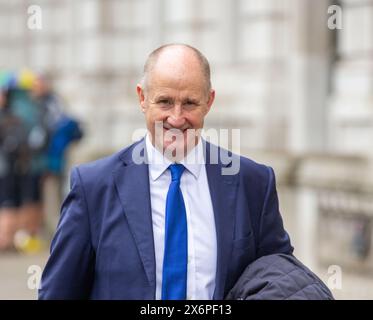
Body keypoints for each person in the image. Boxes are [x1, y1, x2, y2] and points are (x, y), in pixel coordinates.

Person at [39, 44, 294, 300]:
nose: (176, 117)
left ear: (209, 101)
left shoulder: (253, 183)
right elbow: (58, 293)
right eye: (164, 101)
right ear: (142, 98)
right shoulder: (93, 187)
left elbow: (283, 281)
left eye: (190, 103)